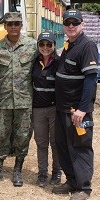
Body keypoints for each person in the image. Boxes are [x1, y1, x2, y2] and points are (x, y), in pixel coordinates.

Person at [0, 12, 36, 187]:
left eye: (16, 24)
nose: (13, 27)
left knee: (22, 135)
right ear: (4, 26)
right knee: (1, 135)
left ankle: (17, 170)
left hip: (25, 100)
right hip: (4, 100)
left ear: (21, 25)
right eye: (10, 24)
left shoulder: (32, 46)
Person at [53, 9, 98, 200]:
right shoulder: (69, 45)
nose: (71, 26)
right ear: (63, 25)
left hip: (76, 111)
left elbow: (90, 81)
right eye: (68, 23)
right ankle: (71, 181)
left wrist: (83, 109)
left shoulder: (87, 46)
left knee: (80, 147)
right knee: (63, 146)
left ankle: (84, 187)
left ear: (82, 25)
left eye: (75, 23)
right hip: (62, 109)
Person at [31, 31, 62, 187]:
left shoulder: (59, 62)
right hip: (38, 110)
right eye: (42, 44)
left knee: (55, 142)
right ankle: (42, 173)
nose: (45, 47)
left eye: (48, 44)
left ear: (54, 45)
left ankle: (57, 172)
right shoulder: (34, 62)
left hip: (54, 109)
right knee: (41, 142)